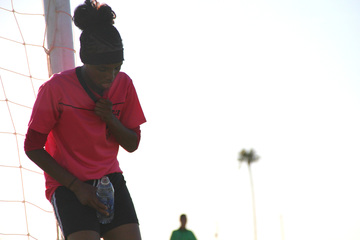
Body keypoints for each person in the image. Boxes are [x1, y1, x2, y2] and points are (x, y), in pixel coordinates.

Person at [24, 1, 146, 239]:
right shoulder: (55, 89)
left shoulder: (124, 84)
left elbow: (132, 143)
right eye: (102, 69)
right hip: (69, 185)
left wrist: (110, 118)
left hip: (110, 180)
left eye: (116, 68)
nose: (110, 76)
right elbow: (32, 146)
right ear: (86, 61)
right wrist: (76, 187)